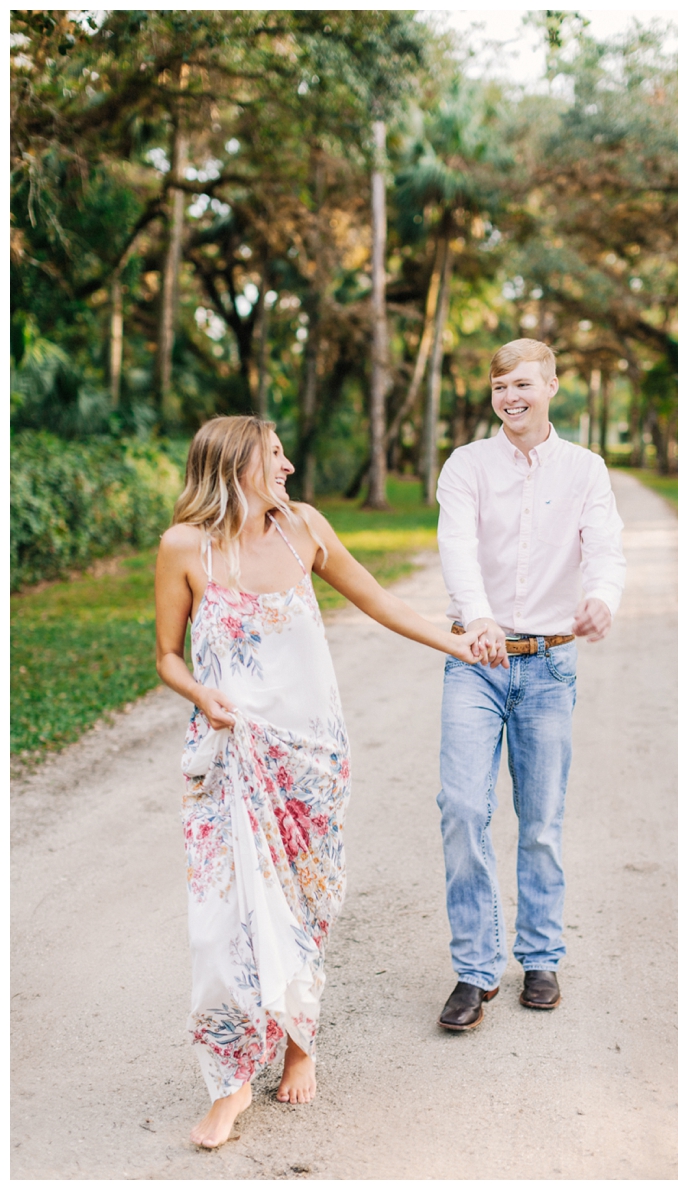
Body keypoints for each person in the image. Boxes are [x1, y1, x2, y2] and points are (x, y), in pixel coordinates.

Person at [155, 415, 483, 1148]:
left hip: (310, 759)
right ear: (236, 463)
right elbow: (167, 656)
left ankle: (300, 1041)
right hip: (229, 761)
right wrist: (201, 696)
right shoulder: (185, 548)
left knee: (304, 910)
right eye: (275, 456)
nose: (290, 467)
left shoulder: (304, 529)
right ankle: (231, 1084)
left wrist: (461, 646)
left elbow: (380, 602)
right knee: (219, 929)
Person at [434, 338, 625, 1030]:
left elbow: (604, 547)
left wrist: (603, 596)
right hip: (475, 660)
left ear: (550, 386)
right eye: (498, 387)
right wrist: (478, 616)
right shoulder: (466, 466)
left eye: (522, 384)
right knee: (462, 807)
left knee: (541, 821)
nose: (509, 396)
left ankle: (540, 956)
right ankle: (474, 971)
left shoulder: (585, 470)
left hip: (549, 664)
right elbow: (456, 546)